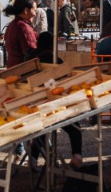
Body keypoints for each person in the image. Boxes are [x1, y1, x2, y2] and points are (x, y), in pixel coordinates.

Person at [33, 32, 83, 168]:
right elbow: (63, 80)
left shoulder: (30, 58)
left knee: (41, 130)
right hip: (53, 103)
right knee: (75, 127)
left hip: (32, 103)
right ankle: (77, 156)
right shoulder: (54, 58)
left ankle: (32, 158)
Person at [3, 0, 38, 68]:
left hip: (11, 68)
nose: (35, 14)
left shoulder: (12, 25)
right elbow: (31, 53)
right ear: (26, 11)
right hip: (21, 71)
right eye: (34, 10)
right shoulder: (23, 27)